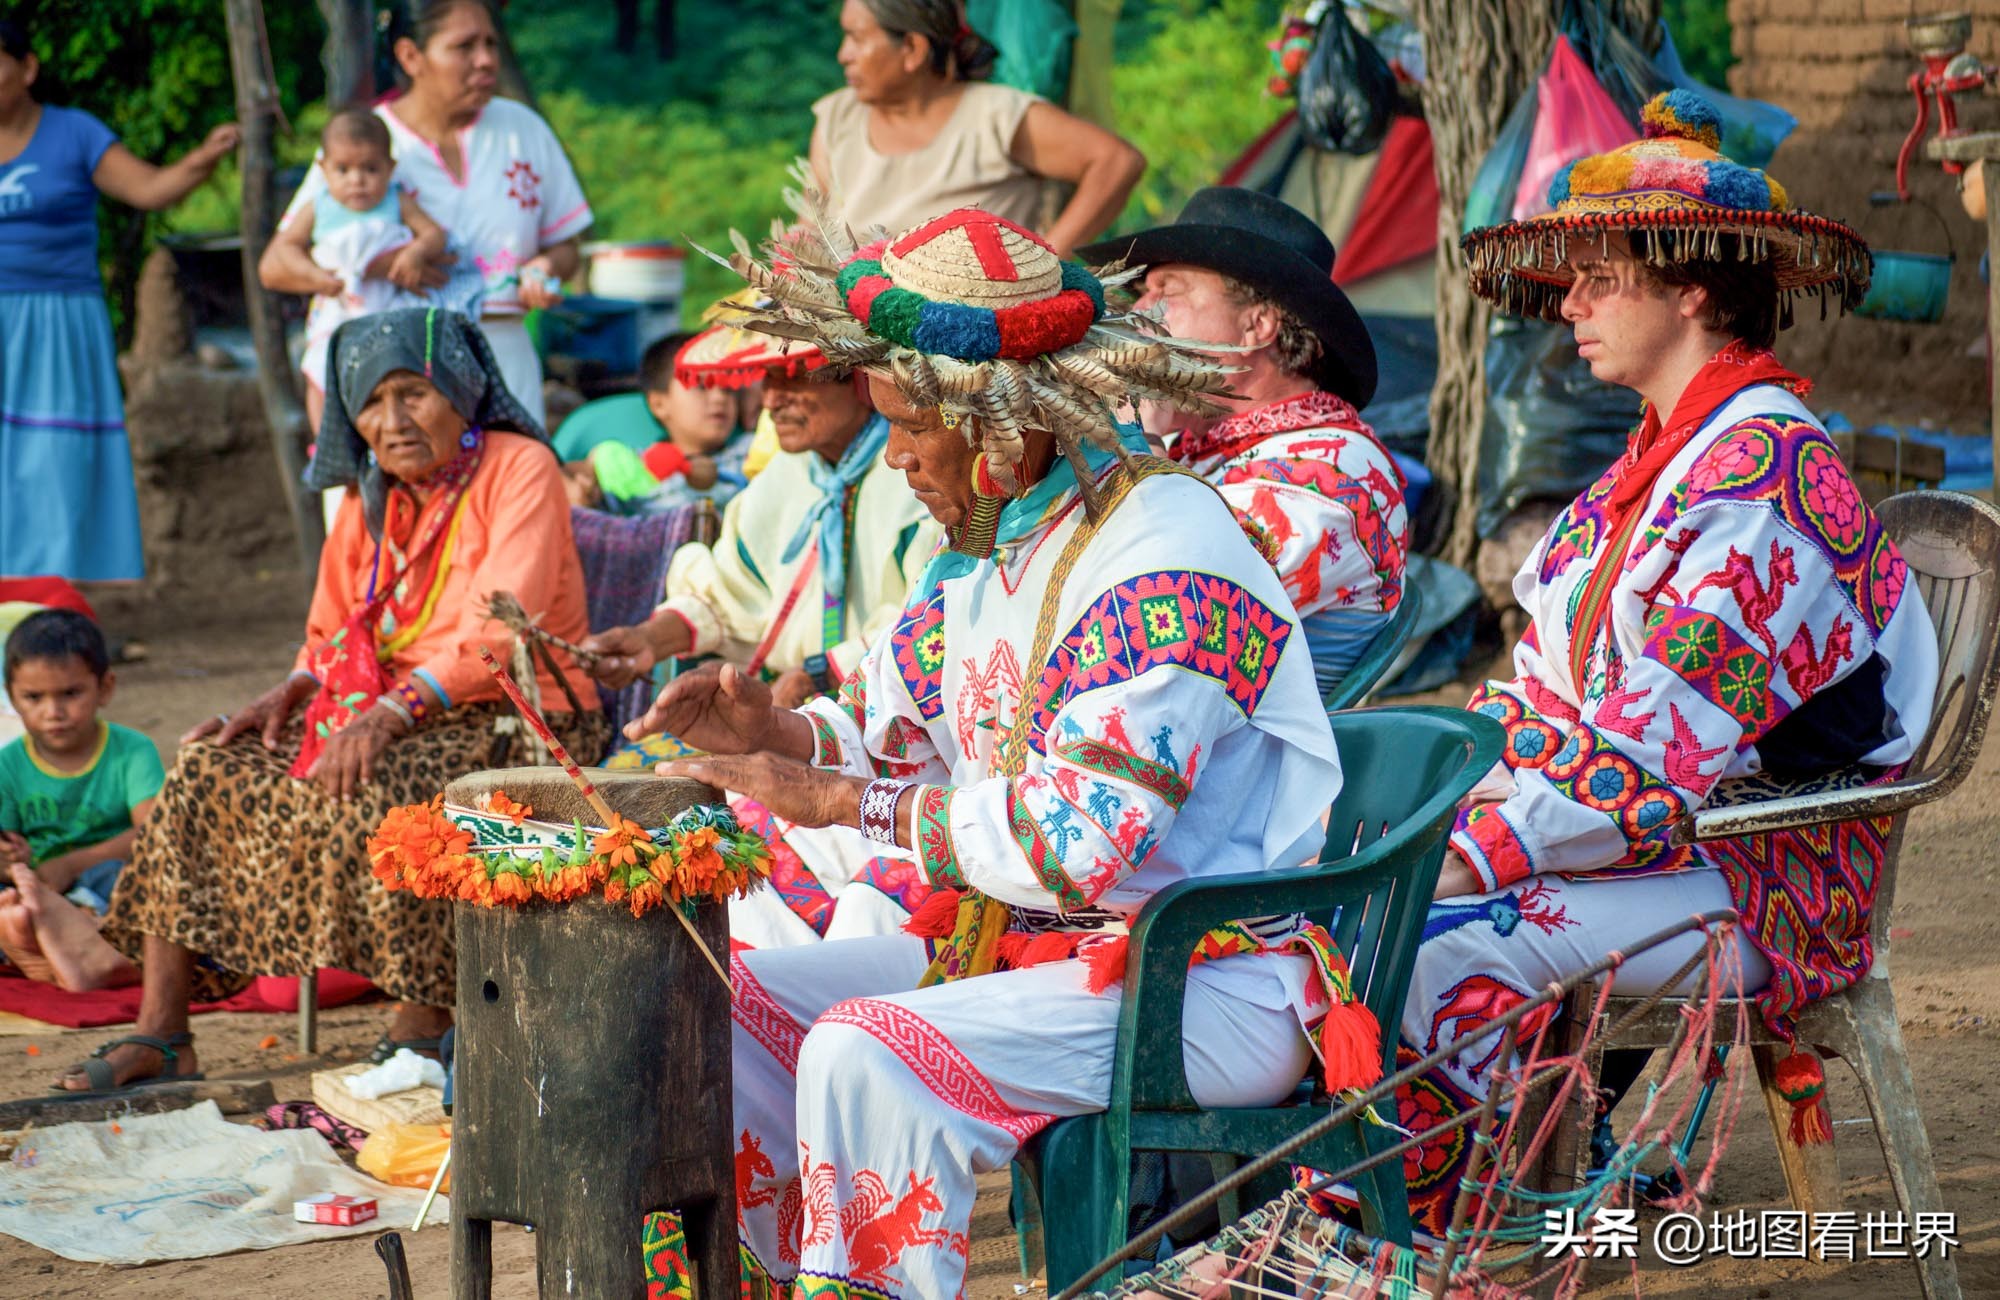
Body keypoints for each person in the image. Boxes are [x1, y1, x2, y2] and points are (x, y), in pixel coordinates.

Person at [630, 201, 1353, 1299]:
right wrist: (768, 730)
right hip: (1034, 953)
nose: (896, 461)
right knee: (719, 1007)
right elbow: (891, 729)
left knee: (863, 1049)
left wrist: (829, 798)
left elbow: (1078, 847)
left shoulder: (1167, 554)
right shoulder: (986, 546)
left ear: (1005, 426)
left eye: (911, 429)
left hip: (1201, 981)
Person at [1364, 92, 1938, 1236]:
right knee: (1371, 908)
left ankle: (1450, 1240)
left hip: (1771, 877)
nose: (1566, 302)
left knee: (1410, 945)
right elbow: (1539, 696)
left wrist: (1454, 856)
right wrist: (1425, 814)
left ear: (1689, 287)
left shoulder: (1763, 477)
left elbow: (1645, 753)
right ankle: (1454, 1217)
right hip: (1664, 839)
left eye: (1599, 276)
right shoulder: (1665, 460)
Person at [41, 309, 606, 1095]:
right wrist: (291, 691)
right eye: (370, 404)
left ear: (463, 390)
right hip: (390, 705)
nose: (392, 421)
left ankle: (421, 1025)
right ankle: (163, 1032)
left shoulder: (520, 466)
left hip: (517, 711)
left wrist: (387, 713)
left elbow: (497, 637)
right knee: (206, 768)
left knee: (388, 785)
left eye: (412, 393)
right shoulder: (371, 496)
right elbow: (332, 631)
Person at [582, 326, 938, 947]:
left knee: (709, 842)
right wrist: (649, 638)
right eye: (768, 380)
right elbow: (728, 586)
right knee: (624, 799)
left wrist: (817, 676)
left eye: (796, 377)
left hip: (893, 750)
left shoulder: (925, 475)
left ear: (864, 380)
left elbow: (922, 626)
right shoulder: (788, 477)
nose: (772, 399)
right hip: (784, 720)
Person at [1083, 187, 1411, 699]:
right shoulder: (1216, 452)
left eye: (1168, 293)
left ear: (1256, 324)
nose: (1139, 314)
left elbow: (1167, 606)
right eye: (1141, 295)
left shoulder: (1336, 472)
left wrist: (1138, 434)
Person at [261, 0, 592, 427]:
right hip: (395, 377)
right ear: (410, 56)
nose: (487, 59)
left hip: (505, 363)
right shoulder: (361, 147)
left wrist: (546, 267)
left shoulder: (523, 130)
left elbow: (566, 247)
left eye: (491, 43)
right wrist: (351, 274)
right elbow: (276, 264)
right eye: (464, 46)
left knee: (510, 486)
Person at [0, 17, 239, 593]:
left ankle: (46, 610)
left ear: (27, 68)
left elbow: (151, 190)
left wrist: (207, 156)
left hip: (59, 322)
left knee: (55, 466)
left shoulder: (75, 132)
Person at [813, 0, 1144, 255]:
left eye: (855, 38)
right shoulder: (839, 116)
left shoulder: (996, 116)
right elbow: (812, 224)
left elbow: (1116, 162)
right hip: (856, 332)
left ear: (913, 49)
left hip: (978, 331)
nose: (844, 55)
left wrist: (1048, 260)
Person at [260, 109, 478, 433]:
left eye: (370, 169)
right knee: (319, 369)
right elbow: (287, 247)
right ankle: (325, 441)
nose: (357, 180)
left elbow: (434, 235)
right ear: (323, 169)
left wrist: (415, 253)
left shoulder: (396, 201)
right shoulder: (319, 206)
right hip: (338, 307)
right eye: (343, 169)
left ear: (390, 168)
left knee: (396, 374)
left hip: (389, 306)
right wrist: (316, 276)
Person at [0, 608, 160, 990]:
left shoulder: (131, 751)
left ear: (105, 687)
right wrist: (9, 861)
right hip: (37, 887)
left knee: (136, 880)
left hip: (102, 881)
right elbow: (6, 844)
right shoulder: (8, 764)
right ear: (11, 697)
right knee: (11, 895)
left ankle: (63, 931)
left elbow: (155, 833)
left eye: (70, 694)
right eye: (34, 697)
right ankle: (43, 934)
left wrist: (70, 864)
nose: (53, 713)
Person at [556, 327, 756, 514]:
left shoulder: (751, 452)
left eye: (729, 388)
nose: (719, 397)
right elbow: (557, 475)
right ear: (659, 404)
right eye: (701, 386)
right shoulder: (636, 467)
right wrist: (592, 470)